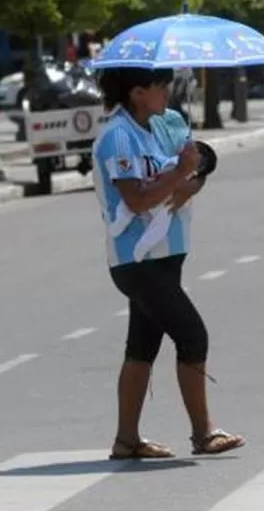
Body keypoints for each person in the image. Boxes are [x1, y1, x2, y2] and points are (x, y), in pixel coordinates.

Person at [92, 67, 245, 459]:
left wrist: (193, 175)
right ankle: (203, 433)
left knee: (142, 345)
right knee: (192, 335)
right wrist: (178, 172)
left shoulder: (164, 124)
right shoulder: (116, 137)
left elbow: (198, 165)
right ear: (138, 93)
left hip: (167, 255)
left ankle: (127, 440)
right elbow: (136, 199)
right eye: (160, 87)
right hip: (137, 260)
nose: (167, 93)